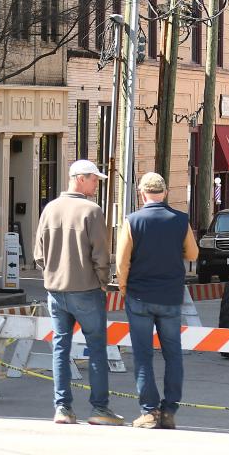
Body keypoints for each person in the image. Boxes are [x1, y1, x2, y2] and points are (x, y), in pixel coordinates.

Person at [33, 159, 123, 426]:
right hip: (86, 289)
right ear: (80, 178)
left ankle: (62, 408)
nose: (97, 183)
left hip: (55, 290)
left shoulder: (50, 209)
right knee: (96, 349)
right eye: (94, 179)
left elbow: (39, 253)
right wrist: (103, 282)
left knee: (61, 348)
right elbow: (100, 254)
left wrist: (51, 274)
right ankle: (99, 409)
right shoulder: (91, 211)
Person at [116, 172, 198, 430]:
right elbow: (193, 252)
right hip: (170, 297)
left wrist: (123, 287)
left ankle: (149, 411)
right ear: (165, 192)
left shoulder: (133, 221)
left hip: (140, 295)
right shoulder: (180, 220)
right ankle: (170, 410)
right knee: (173, 355)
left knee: (143, 355)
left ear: (142, 193)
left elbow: (122, 262)